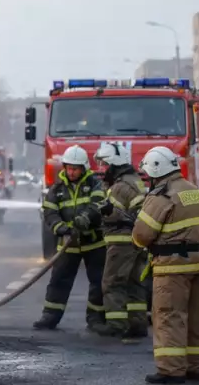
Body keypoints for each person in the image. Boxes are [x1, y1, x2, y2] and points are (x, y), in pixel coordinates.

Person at [131, 146, 199, 384]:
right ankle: (196, 367)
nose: (148, 179)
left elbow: (141, 236)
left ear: (157, 171)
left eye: (149, 174)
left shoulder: (161, 196)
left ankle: (171, 369)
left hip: (172, 267)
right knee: (194, 317)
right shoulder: (194, 191)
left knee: (169, 316)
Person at [35, 145, 108, 331]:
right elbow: (50, 211)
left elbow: (97, 205)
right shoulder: (57, 188)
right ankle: (50, 316)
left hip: (93, 242)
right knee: (59, 279)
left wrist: (85, 219)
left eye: (75, 168)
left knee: (98, 281)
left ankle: (96, 319)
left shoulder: (95, 184)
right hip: (68, 244)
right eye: (68, 168)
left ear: (84, 168)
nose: (71, 172)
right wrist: (61, 228)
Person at [94, 142, 149, 340]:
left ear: (115, 165)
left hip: (121, 242)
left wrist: (104, 214)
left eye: (105, 165)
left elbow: (116, 214)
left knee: (112, 282)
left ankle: (116, 324)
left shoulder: (119, 188)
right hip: (136, 242)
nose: (102, 170)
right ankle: (138, 323)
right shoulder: (133, 181)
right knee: (134, 283)